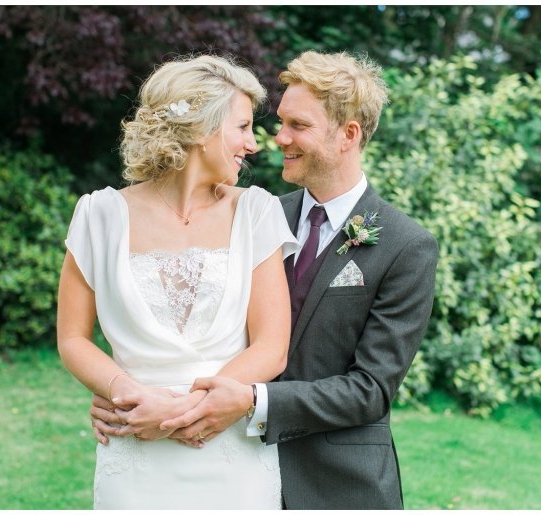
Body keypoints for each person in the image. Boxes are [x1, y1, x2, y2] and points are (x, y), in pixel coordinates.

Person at [94, 50, 439, 509]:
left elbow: (370, 390)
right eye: (281, 122)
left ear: (348, 135)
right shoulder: (255, 214)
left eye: (298, 125)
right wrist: (133, 398)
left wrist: (251, 401)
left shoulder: (405, 245)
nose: (279, 138)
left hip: (335, 482)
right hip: (226, 461)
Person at [57, 55, 298, 509]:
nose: (253, 144)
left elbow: (271, 346)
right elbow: (72, 338)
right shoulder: (99, 215)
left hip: (230, 453)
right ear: (201, 129)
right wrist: (124, 392)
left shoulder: (257, 212)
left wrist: (180, 412)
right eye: (242, 127)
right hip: (134, 448)